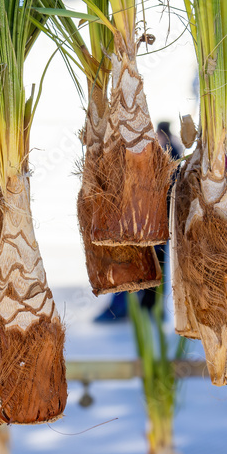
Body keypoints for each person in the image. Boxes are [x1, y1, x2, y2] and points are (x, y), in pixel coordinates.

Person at [95, 122, 182, 322]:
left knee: (137, 263)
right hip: (161, 222)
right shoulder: (174, 149)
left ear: (160, 133)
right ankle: (152, 310)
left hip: (153, 221)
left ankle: (134, 309)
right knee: (155, 266)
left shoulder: (164, 151)